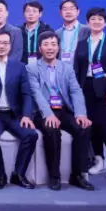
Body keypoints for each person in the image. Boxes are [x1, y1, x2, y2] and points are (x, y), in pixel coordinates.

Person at [28, 31, 94, 191]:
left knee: (83, 127)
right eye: (46, 44)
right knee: (51, 129)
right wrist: (48, 115)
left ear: (58, 48)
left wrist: (80, 114)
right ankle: (54, 176)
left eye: (53, 44)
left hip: (63, 109)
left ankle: (78, 174)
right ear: (40, 48)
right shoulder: (31, 68)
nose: (50, 48)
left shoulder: (67, 68)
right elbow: (36, 94)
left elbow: (76, 91)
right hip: (43, 112)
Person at [0, 29, 38, 190]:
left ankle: (19, 174)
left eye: (5, 43)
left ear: (10, 46)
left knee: (31, 135)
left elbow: (26, 94)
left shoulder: (19, 67)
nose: (1, 46)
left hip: (14, 114)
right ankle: (0, 175)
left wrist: (26, 115)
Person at [74, 7, 106, 180]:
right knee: (91, 126)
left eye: (100, 19)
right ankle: (98, 160)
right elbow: (77, 69)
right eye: (93, 19)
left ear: (105, 22)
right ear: (87, 22)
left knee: (105, 128)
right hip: (85, 88)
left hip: (104, 88)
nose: (96, 22)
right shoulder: (82, 43)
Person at [55, 0, 90, 65]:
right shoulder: (57, 33)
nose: (68, 12)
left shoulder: (87, 31)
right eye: (65, 9)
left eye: (71, 9)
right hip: (61, 70)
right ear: (60, 13)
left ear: (78, 12)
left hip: (80, 69)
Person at [19, 1, 53, 65]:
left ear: (40, 14)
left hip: (43, 67)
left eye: (34, 11)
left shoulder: (48, 31)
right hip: (22, 67)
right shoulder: (18, 31)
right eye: (28, 11)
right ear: (24, 13)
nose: (30, 14)